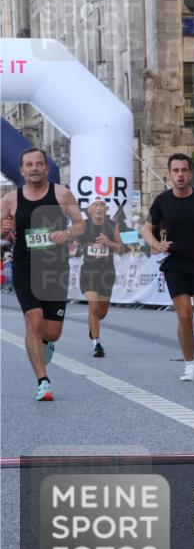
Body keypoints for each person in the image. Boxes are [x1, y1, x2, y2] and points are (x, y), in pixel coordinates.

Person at [0, 147, 85, 401]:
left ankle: (46, 344)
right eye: (29, 164)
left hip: (55, 268)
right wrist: (3, 229)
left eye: (39, 164)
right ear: (22, 170)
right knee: (33, 321)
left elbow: (80, 224)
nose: (34, 168)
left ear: (47, 168)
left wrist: (67, 234)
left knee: (52, 332)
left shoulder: (62, 194)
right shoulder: (10, 200)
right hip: (25, 267)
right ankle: (43, 381)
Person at [141, 153, 194, 382]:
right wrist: (156, 244)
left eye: (184, 170)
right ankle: (190, 365)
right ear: (169, 174)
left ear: (190, 173)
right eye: (175, 170)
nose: (180, 175)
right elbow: (146, 229)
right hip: (175, 264)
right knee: (185, 314)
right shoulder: (162, 201)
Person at [78, 198, 124, 357]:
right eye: (96, 205)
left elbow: (121, 249)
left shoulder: (113, 225)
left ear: (106, 210)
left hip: (107, 271)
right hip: (89, 271)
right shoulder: (82, 225)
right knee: (93, 303)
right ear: (90, 209)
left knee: (101, 312)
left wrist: (108, 242)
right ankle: (97, 343)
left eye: (102, 205)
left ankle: (93, 326)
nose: (99, 208)